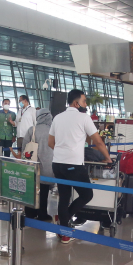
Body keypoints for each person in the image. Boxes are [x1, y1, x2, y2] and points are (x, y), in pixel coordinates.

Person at [48, 89, 111, 243]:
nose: (86, 105)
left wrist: (62, 152)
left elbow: (50, 143)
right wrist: (108, 158)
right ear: (76, 103)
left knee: (64, 197)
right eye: (84, 101)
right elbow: (98, 141)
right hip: (73, 165)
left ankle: (63, 226)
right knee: (87, 195)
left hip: (57, 164)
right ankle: (65, 221)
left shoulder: (57, 117)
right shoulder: (83, 118)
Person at [24, 108, 54, 222]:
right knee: (44, 190)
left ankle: (30, 212)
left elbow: (24, 148)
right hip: (48, 165)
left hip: (32, 164)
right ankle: (42, 214)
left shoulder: (32, 129)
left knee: (31, 189)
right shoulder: (53, 130)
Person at [0, 98, 16, 169]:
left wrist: (14, 135)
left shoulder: (13, 114)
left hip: (9, 137)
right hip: (0, 137)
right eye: (5, 103)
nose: (7, 105)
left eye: (8, 103)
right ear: (2, 104)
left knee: (7, 154)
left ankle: (6, 169)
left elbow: (15, 125)